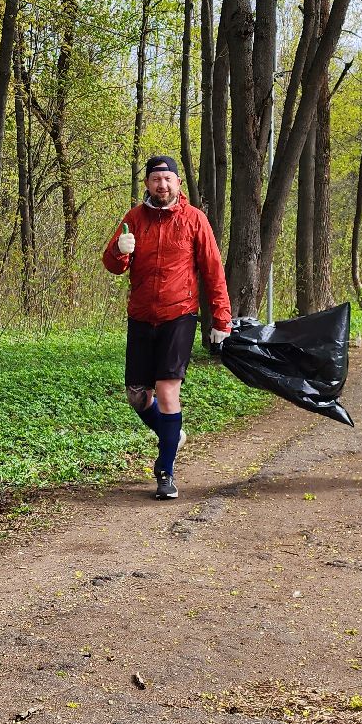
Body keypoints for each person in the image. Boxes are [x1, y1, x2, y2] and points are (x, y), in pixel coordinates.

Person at [102, 155, 233, 500]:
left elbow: (213, 271)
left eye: (168, 179)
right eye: (156, 179)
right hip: (142, 315)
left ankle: (166, 472)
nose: (162, 185)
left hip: (180, 314)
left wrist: (221, 319)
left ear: (178, 184)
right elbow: (114, 266)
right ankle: (171, 433)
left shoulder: (194, 220)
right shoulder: (133, 218)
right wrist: (118, 250)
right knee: (136, 395)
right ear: (147, 184)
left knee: (166, 390)